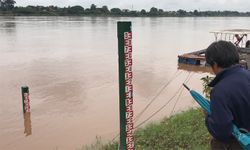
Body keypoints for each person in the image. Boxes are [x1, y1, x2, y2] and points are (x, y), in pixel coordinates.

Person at [205, 40, 250, 150]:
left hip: (240, 143)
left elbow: (222, 132)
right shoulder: (247, 75)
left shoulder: (220, 91)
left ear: (215, 64)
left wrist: (208, 117)